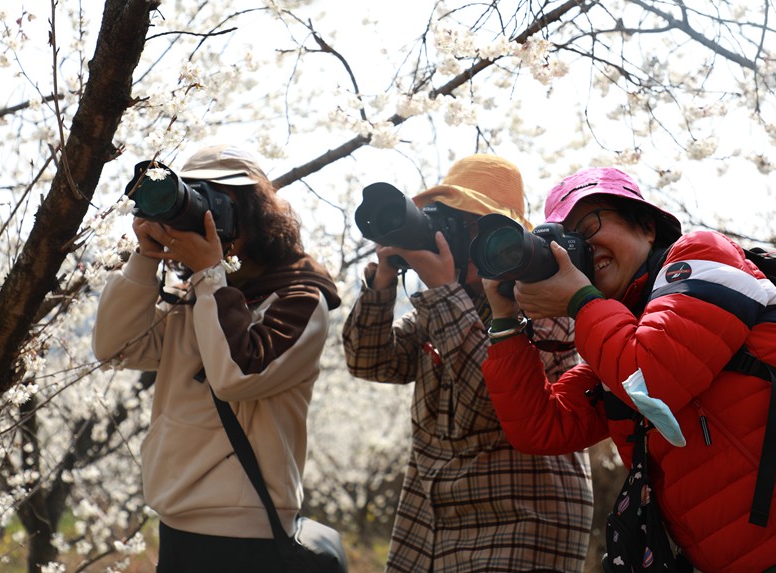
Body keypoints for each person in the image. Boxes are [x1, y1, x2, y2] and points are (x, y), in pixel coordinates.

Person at [480, 166, 776, 573]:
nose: (583, 249)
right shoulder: (618, 335)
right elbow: (540, 426)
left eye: (589, 226)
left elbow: (653, 379)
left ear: (647, 228)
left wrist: (580, 302)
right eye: (566, 242)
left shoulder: (701, 254)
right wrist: (504, 321)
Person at [92, 145, 341, 573]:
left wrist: (209, 274)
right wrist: (146, 257)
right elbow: (116, 348)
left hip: (248, 528)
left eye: (217, 203)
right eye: (195, 198)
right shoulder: (202, 298)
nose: (202, 217)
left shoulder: (300, 297)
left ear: (255, 213)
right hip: (177, 517)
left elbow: (235, 375)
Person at [343, 154, 594, 573]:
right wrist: (383, 283)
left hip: (521, 521)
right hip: (428, 526)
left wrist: (442, 291)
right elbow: (370, 362)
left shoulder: (541, 299)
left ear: (502, 234)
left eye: (470, 227)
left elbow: (493, 402)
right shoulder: (446, 303)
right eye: (448, 226)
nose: (456, 241)